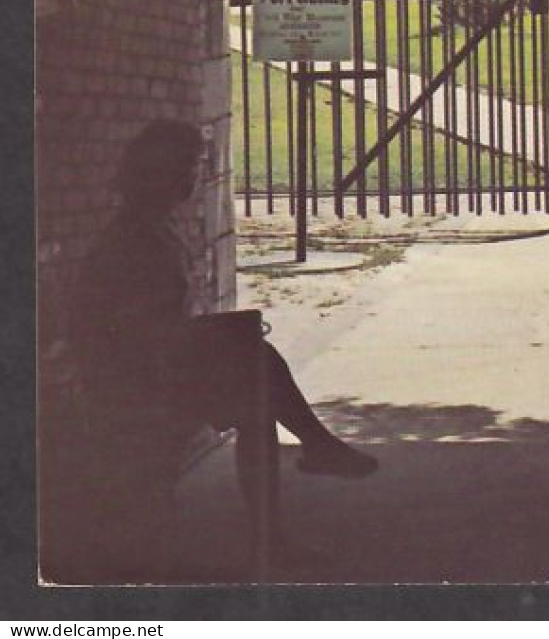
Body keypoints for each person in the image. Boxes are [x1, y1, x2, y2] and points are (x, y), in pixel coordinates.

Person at [65, 120, 377, 569]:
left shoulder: (155, 231)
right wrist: (217, 336)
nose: (191, 177)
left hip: (154, 371)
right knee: (254, 364)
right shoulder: (130, 243)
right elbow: (137, 337)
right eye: (182, 167)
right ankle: (312, 453)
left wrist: (219, 333)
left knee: (256, 387)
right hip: (130, 387)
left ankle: (283, 514)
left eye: (194, 166)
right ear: (151, 174)